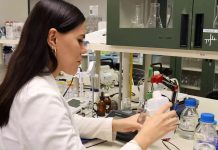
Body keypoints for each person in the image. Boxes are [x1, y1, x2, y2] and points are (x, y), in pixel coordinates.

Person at [0, 0, 178, 150]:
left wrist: (119, 123)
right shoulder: (39, 96)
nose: (85, 50)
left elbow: (67, 121)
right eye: (79, 40)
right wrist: (143, 139)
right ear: (53, 38)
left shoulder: (33, 82)